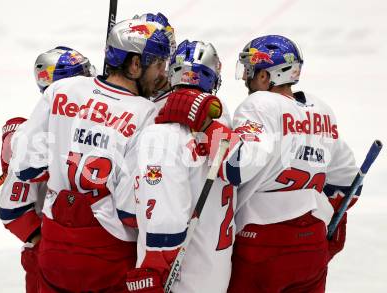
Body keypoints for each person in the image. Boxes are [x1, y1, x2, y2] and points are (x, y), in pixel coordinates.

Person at [155, 35, 361, 292]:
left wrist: (208, 123)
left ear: (265, 76)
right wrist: (322, 220)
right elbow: (349, 182)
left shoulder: (260, 104)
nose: (245, 78)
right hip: (312, 247)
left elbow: (236, 166)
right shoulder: (321, 111)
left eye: (250, 71)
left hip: (263, 244)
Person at [8, 18, 171, 292]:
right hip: (108, 258)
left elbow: (26, 167)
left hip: (54, 250)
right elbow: (130, 210)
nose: (163, 74)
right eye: (157, 65)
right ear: (134, 64)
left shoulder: (61, 90)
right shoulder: (147, 114)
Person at [124, 40, 235, 293]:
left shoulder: (160, 134)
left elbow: (166, 215)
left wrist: (153, 268)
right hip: (215, 271)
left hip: (177, 275)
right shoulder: (222, 119)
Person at [0, 46, 94, 293]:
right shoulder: (37, 138)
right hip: (50, 261)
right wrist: (51, 246)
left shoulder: (89, 125)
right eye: (82, 76)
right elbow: (12, 209)